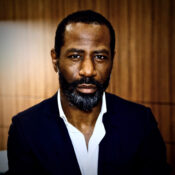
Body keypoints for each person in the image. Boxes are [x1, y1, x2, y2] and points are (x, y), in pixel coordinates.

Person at [7, 10, 170, 175]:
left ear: (112, 60)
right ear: (55, 60)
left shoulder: (141, 122)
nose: (88, 70)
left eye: (100, 57)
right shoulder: (26, 129)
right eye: (75, 56)